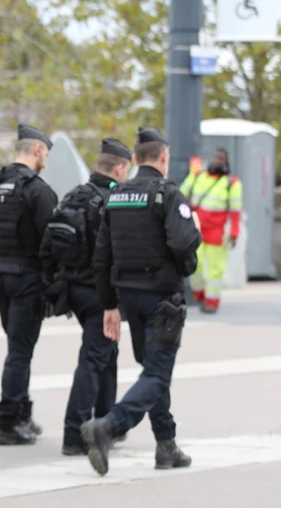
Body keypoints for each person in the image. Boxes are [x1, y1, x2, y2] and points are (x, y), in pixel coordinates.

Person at [82, 126, 200, 476]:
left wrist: (109, 305)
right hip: (162, 296)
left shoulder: (116, 196)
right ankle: (109, 427)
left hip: (128, 298)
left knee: (153, 371)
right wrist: (185, 269)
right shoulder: (168, 194)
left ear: (134, 160)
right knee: (158, 374)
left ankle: (166, 445)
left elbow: (101, 256)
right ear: (163, 157)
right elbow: (184, 245)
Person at [40, 138, 132, 456]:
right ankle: (74, 434)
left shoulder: (74, 195)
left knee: (107, 354)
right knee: (93, 360)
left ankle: (106, 423)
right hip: (100, 294)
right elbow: (119, 253)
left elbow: (48, 245)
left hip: (72, 290)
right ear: (119, 168)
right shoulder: (114, 200)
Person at [0, 123, 58, 446]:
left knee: (17, 346)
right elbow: (52, 241)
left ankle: (22, 413)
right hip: (26, 277)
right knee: (20, 352)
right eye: (46, 155)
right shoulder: (37, 190)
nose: (46, 162)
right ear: (37, 150)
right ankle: (9, 422)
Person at [181, 147, 242, 313]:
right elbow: (180, 194)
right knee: (195, 265)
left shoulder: (232, 183)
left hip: (216, 232)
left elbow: (235, 212)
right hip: (197, 228)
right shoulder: (198, 175)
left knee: (215, 269)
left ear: (226, 162)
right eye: (215, 157)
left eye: (221, 158)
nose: (217, 161)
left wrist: (235, 233)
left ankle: (212, 302)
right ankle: (200, 295)